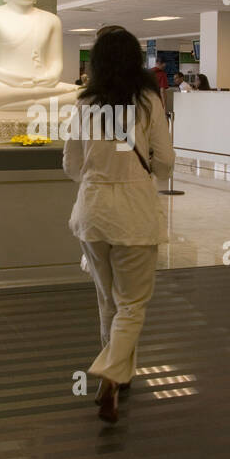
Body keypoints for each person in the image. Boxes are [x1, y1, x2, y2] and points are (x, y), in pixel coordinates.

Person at [64, 26, 174, 425]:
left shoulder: (85, 102)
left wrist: (98, 177)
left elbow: (71, 164)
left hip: (92, 211)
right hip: (133, 211)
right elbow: (164, 161)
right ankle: (112, 371)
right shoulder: (148, 101)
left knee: (107, 299)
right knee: (133, 303)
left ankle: (120, 375)